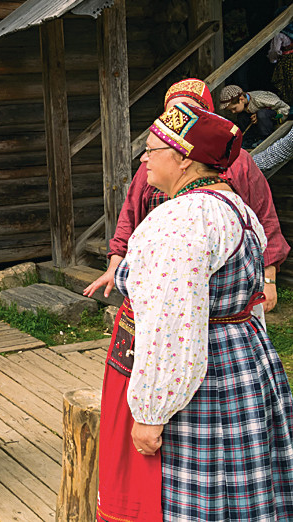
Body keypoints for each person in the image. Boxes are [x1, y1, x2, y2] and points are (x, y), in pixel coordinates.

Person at [97, 103, 293, 521]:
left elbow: (172, 323)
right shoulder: (232, 206)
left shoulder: (182, 219)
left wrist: (150, 414)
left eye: (152, 150)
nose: (144, 159)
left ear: (184, 159)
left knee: (205, 496)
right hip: (242, 360)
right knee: (243, 488)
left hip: (203, 377)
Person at [85, 77, 289, 313]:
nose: (179, 119)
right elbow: (130, 215)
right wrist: (115, 266)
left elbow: (263, 217)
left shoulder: (237, 162)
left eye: (188, 111)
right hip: (161, 281)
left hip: (221, 283)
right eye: (173, 112)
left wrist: (268, 278)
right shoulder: (152, 163)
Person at [219, 84, 290, 148]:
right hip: (259, 124)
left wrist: (262, 114)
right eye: (230, 110)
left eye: (234, 108)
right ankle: (250, 140)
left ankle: (265, 139)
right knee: (242, 117)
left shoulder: (259, 99)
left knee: (261, 114)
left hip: (276, 118)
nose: (233, 112)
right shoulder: (244, 105)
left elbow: (285, 108)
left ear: (241, 99)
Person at [269, 12, 293, 106]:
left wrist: (273, 60)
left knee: (287, 84)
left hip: (287, 61)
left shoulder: (280, 34)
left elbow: (275, 50)